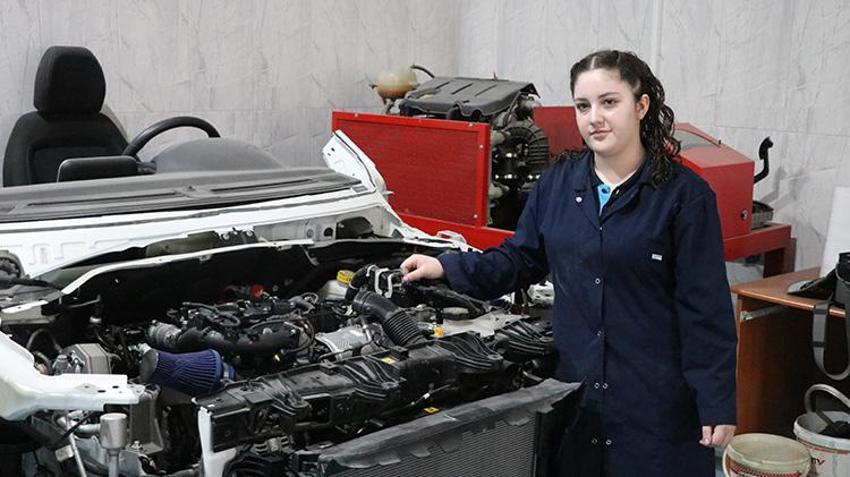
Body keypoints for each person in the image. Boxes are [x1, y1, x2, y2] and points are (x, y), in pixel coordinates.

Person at [400, 50, 737, 476]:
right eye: (583, 106)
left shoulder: (684, 197)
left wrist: (716, 400)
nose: (595, 117)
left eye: (609, 102)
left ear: (642, 105)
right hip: (578, 390)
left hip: (654, 403)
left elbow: (705, 309)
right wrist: (449, 267)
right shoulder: (558, 184)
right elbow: (522, 258)